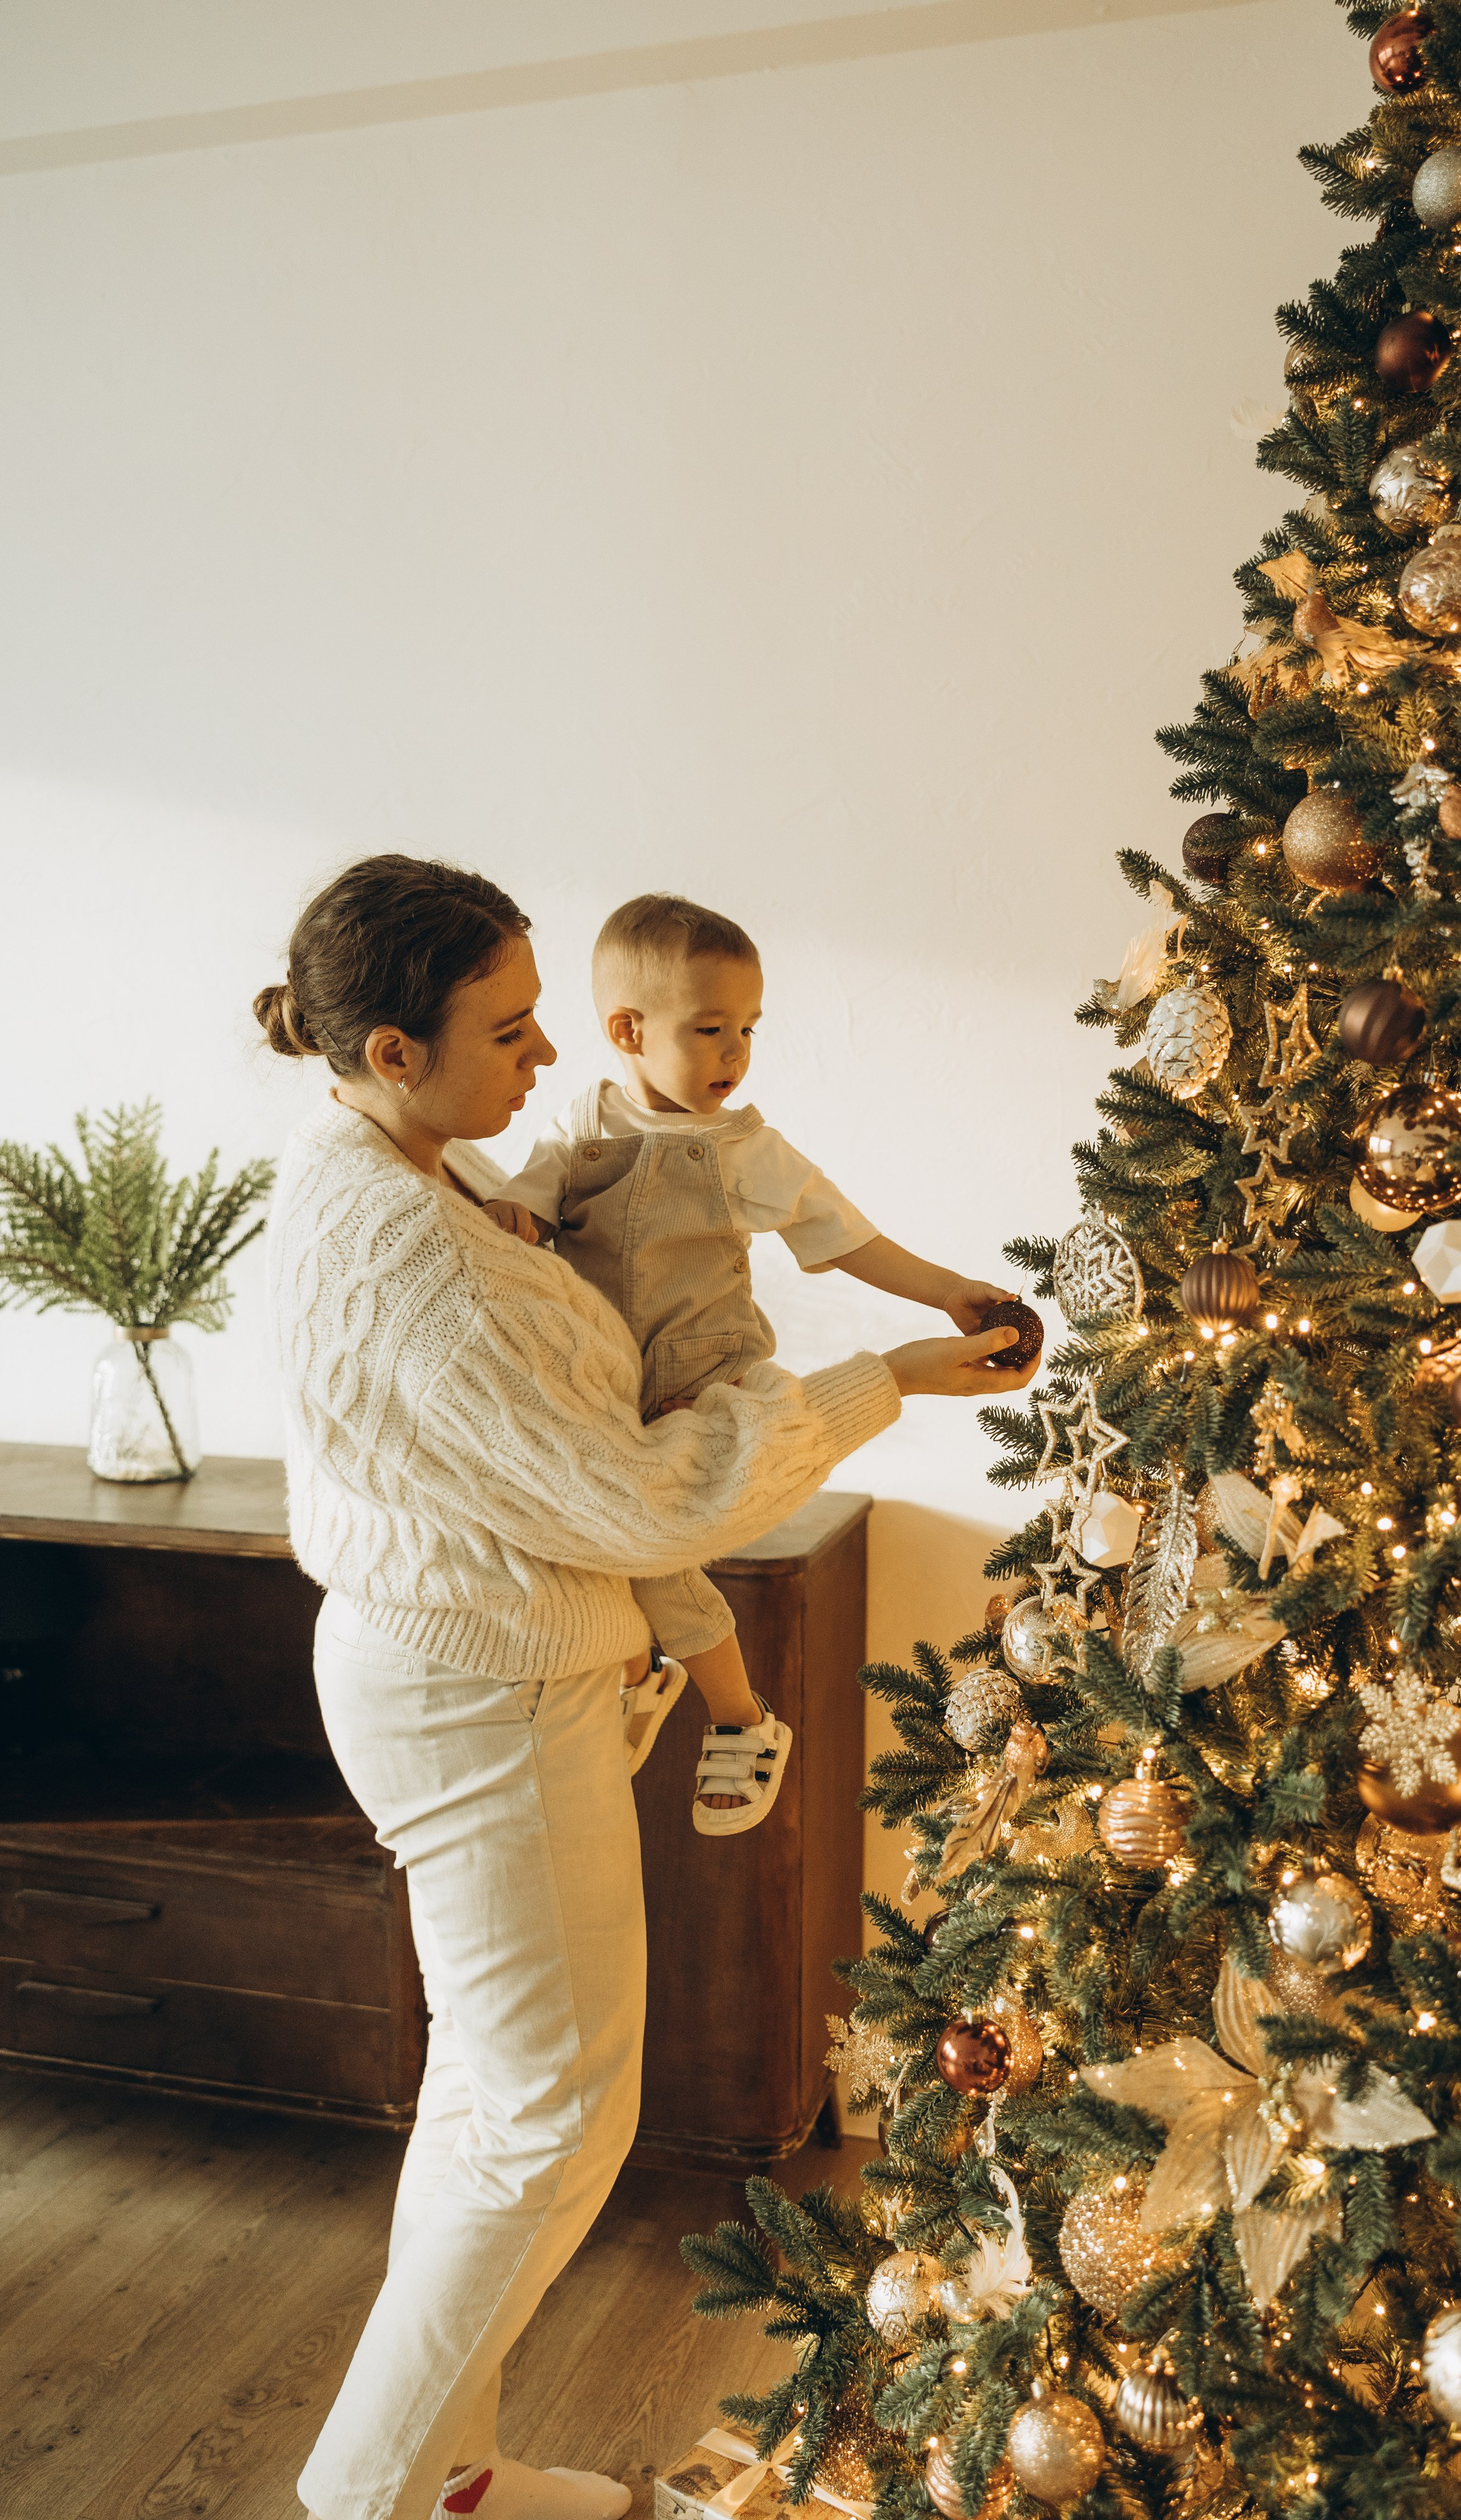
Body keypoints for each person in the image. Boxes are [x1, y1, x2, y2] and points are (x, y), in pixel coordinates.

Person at [253, 853, 1034, 2520]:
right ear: (392, 1048)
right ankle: (374, 2496)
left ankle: (443, 2471)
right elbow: (642, 1502)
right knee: (544, 2122)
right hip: (482, 1695)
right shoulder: (421, 1257)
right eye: (512, 1026)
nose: (548, 1057)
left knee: (496, 2094)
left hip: (453, 1662)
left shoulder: (397, 1165)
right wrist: (881, 1373)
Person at [494, 892, 1015, 1838]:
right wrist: (520, 1219)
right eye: (710, 1029)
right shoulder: (586, 1121)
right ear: (627, 1030)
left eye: (748, 1030)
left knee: (657, 1554)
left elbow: (843, 1233)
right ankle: (641, 1678)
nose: (736, 1054)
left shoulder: (744, 1150)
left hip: (706, 1377)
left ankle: (737, 1715)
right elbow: (533, 1190)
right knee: (595, 1544)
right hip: (604, 1381)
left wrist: (944, 1291)